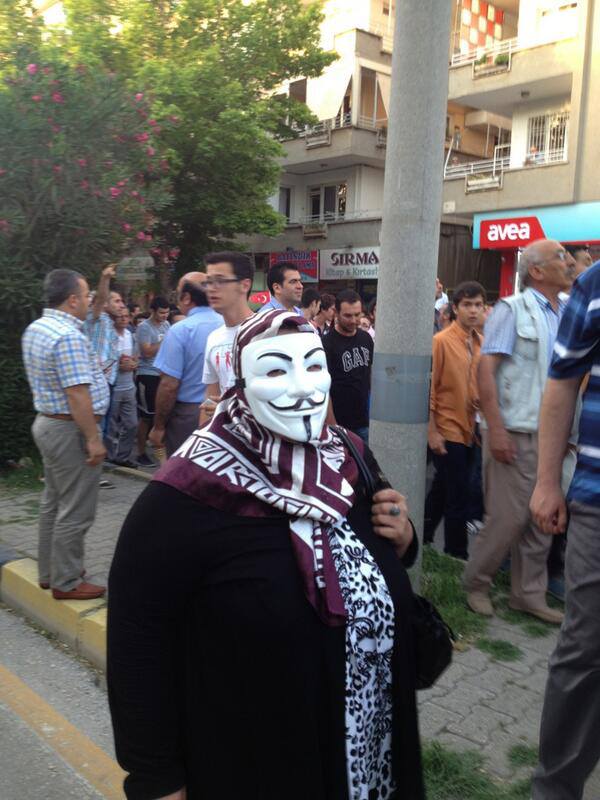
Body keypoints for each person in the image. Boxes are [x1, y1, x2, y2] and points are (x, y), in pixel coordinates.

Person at [107, 309, 424, 800]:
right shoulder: (186, 490)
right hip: (258, 755)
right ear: (238, 384)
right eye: (276, 370)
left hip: (371, 740)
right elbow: (138, 637)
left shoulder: (348, 456)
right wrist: (156, 779)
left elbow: (379, 546)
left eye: (313, 365)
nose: (302, 387)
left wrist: (404, 539)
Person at [463, 239, 576, 624]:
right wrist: (495, 429)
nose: (569, 261)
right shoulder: (512, 309)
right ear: (537, 271)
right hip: (515, 431)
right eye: (560, 256)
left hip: (552, 435)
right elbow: (486, 371)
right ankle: (476, 583)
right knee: (507, 517)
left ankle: (527, 595)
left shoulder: (567, 311)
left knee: (543, 519)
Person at [530, 260, 600, 799]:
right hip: (598, 500)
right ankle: (555, 789)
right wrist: (547, 481)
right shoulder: (595, 284)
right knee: (586, 646)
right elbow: (562, 382)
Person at [21, 269, 109, 600]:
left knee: (54, 502)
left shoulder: (38, 327)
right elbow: (77, 394)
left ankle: (51, 571)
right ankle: (67, 581)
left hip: (48, 424)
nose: (89, 301)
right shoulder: (68, 336)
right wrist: (93, 438)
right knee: (76, 508)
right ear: (72, 300)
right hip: (69, 430)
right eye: (86, 296)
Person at [424, 281, 485, 560]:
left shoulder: (480, 342)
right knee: (458, 494)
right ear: (456, 308)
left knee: (442, 488)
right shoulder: (441, 341)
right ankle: (456, 554)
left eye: (478, 305)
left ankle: (423, 536)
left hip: (471, 428)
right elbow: (430, 390)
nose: (473, 311)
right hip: (447, 429)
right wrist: (432, 431)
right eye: (467, 305)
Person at [149, 273, 221, 456]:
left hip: (188, 416)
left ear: (187, 297)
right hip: (225, 413)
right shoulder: (230, 325)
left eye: (177, 293)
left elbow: (169, 385)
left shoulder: (180, 330)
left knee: (185, 470)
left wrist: (158, 426)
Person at [200, 251, 255, 423]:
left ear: (244, 285)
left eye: (220, 281)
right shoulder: (214, 338)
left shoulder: (267, 332)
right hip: (226, 435)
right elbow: (210, 398)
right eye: (208, 282)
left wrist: (228, 407)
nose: (211, 288)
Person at [323, 289, 374, 444]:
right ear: (336, 313)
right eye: (348, 316)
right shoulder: (326, 344)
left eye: (357, 315)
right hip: (339, 424)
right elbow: (324, 389)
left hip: (364, 421)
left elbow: (370, 374)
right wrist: (332, 424)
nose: (353, 320)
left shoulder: (366, 338)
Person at [135, 297, 171, 467]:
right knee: (146, 417)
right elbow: (147, 352)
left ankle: (161, 454)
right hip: (147, 374)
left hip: (162, 374)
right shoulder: (144, 327)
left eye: (167, 312)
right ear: (153, 311)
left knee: (162, 415)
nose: (165, 316)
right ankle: (140, 452)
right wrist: (165, 341)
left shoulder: (166, 325)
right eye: (161, 313)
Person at [105, 310, 139, 467]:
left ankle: (123, 456)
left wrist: (134, 364)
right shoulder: (109, 336)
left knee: (132, 423)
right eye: (121, 316)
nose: (124, 319)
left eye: (126, 316)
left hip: (129, 385)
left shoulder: (130, 335)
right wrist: (119, 366)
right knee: (111, 425)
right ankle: (109, 456)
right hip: (114, 385)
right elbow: (103, 361)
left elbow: (136, 357)